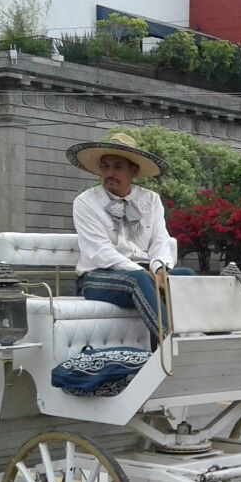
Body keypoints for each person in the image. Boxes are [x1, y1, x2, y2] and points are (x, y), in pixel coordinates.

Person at [65, 132, 176, 350]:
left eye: (117, 167)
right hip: (99, 277)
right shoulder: (85, 202)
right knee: (137, 280)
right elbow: (101, 252)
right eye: (105, 167)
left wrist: (160, 268)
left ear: (134, 171)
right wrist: (145, 274)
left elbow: (160, 240)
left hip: (145, 274)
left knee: (186, 278)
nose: (109, 173)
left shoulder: (151, 200)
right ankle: (173, 347)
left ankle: (210, 344)